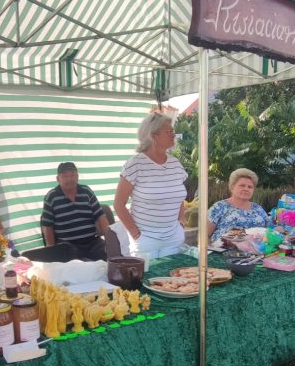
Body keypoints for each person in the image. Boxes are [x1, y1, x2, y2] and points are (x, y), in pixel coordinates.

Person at [113, 111, 187, 259]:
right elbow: (118, 204)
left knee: (175, 274)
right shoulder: (135, 164)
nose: (173, 135)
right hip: (146, 240)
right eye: (169, 131)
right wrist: (135, 233)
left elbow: (178, 196)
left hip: (174, 238)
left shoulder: (175, 164)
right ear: (153, 136)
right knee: (148, 274)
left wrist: (179, 222)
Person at [41, 162, 109, 261]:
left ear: (77, 176)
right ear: (58, 179)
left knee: (111, 258)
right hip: (67, 246)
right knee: (76, 267)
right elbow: (47, 226)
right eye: (65, 176)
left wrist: (109, 241)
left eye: (73, 175)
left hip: (92, 242)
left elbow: (101, 217)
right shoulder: (51, 197)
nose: (70, 179)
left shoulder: (87, 191)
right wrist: (51, 252)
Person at [207, 168, 268, 241]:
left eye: (250, 187)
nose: (246, 189)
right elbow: (204, 235)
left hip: (258, 247)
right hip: (225, 247)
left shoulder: (258, 208)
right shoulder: (219, 207)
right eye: (242, 185)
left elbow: (271, 229)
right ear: (232, 187)